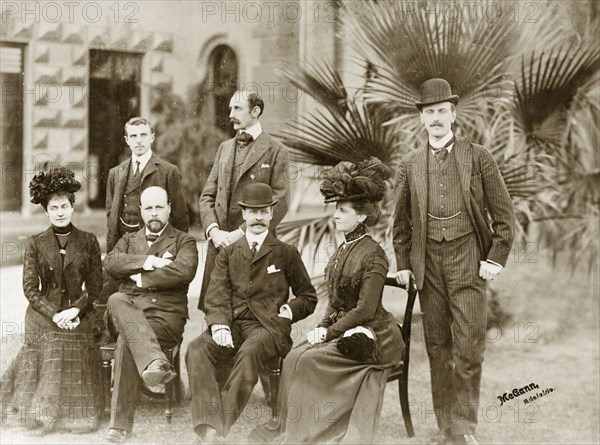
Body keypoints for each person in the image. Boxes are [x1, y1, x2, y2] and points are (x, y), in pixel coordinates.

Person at [392, 78, 515, 445]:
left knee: (468, 345)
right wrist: (403, 263)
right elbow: (400, 224)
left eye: (442, 111)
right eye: (429, 112)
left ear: (454, 114)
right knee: (437, 347)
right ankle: (447, 427)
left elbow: (504, 214)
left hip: (468, 260)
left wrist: (496, 256)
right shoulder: (411, 164)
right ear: (421, 119)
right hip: (428, 265)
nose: (436, 119)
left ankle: (463, 429)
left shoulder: (477, 157)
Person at [250, 157, 405, 444]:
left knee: (310, 360)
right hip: (345, 327)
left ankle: (309, 432)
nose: (335, 215)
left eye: (343, 211)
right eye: (336, 209)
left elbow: (365, 309)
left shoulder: (374, 255)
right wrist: (322, 326)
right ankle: (289, 427)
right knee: (295, 355)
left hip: (373, 335)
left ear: (360, 216)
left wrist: (330, 332)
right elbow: (334, 301)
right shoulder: (342, 249)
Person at [186, 183, 316, 444]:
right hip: (233, 325)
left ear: (271, 214)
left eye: (263, 211)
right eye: (252, 211)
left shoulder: (285, 253)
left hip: (267, 328)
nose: (258, 217)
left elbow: (308, 297)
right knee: (196, 349)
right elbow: (216, 294)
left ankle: (218, 428)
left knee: (249, 352)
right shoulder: (229, 252)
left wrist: (289, 310)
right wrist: (220, 325)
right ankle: (207, 423)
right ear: (243, 215)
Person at [0, 164, 103, 435]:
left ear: (72, 207)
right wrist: (56, 313)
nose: (60, 213)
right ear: (46, 211)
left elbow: (95, 285)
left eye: (64, 206)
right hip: (43, 314)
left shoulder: (89, 241)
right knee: (53, 338)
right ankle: (41, 412)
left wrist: (76, 310)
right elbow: (30, 289)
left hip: (79, 313)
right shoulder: (35, 243)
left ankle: (74, 415)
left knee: (71, 338)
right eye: (54, 208)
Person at [102, 186, 199, 443]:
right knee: (116, 299)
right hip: (128, 310)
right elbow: (110, 262)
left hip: (164, 318)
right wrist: (150, 262)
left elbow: (183, 271)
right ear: (141, 211)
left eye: (159, 207)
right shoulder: (128, 240)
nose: (154, 213)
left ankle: (119, 427)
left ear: (169, 208)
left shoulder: (184, 241)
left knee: (126, 340)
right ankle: (155, 362)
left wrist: (139, 278)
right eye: (149, 208)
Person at [198, 89, 290, 312]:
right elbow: (207, 195)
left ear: (256, 111)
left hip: (255, 245)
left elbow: (281, 200)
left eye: (237, 108)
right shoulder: (225, 148)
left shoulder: (276, 150)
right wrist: (213, 231)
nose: (231, 113)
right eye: (230, 108)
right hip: (219, 245)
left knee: (253, 312)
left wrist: (240, 233)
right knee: (216, 311)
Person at [106, 117, 189, 253]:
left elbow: (180, 217)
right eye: (133, 136)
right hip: (122, 247)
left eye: (143, 135)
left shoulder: (168, 171)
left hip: (155, 246)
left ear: (152, 137)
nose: (139, 140)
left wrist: (175, 251)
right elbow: (111, 216)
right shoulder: (115, 173)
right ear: (127, 140)